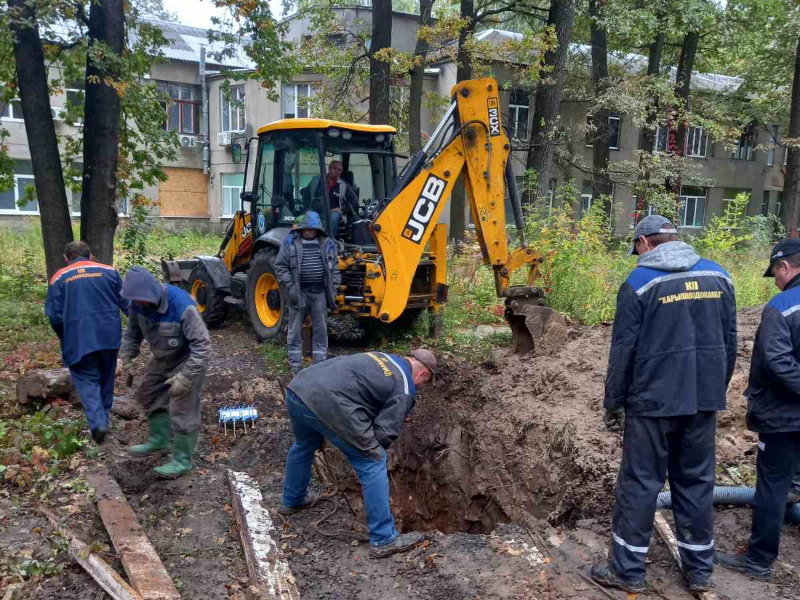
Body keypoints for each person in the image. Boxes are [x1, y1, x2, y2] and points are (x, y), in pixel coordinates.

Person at [591, 215, 737, 594]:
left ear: (644, 243)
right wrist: (714, 389)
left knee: (640, 483)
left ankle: (627, 571)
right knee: (697, 483)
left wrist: (614, 402)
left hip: (652, 404)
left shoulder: (639, 283)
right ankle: (700, 570)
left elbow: (623, 351)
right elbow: (729, 341)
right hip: (702, 400)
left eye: (635, 248)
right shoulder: (719, 276)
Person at [279, 349, 437, 558]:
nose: (420, 387)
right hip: (328, 402)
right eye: (424, 383)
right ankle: (384, 539)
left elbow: (360, 391)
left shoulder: (381, 356)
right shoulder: (406, 387)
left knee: (304, 444)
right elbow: (384, 435)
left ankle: (292, 500)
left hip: (299, 389)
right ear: (422, 374)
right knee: (373, 460)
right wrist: (373, 444)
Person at [715, 238, 800, 581]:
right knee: (791, 481)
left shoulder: (781, 307)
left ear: (785, 267)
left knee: (771, 486)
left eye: (775, 274)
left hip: (783, 417)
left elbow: (778, 362)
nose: (776, 281)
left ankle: (759, 559)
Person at [118, 266, 211, 479]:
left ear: (153, 293)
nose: (139, 304)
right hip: (162, 358)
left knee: (182, 404)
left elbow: (203, 346)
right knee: (148, 392)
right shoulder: (137, 304)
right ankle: (159, 441)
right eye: (136, 301)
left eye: (142, 301)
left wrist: (186, 377)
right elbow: (132, 334)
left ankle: (182, 460)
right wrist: (127, 358)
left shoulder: (182, 305)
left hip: (188, 359)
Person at [44, 241, 127, 444]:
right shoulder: (110, 271)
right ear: (90, 255)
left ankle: (98, 423)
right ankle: (104, 419)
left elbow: (54, 315)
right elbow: (127, 302)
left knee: (86, 379)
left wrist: (64, 337)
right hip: (109, 336)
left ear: (66, 258)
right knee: (107, 377)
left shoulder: (59, 277)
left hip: (79, 338)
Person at [275, 211, 340, 374]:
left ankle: (319, 364)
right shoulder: (290, 242)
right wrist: (290, 287)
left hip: (320, 293)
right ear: (302, 228)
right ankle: (295, 364)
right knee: (295, 329)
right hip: (299, 291)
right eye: (308, 229)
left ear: (318, 230)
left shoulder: (327, 243)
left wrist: (334, 285)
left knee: (321, 328)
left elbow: (335, 268)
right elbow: (280, 266)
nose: (310, 232)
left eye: (314, 229)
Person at [303, 160, 358, 239]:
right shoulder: (316, 181)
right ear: (329, 168)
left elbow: (354, 200)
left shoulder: (344, 185)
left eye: (339, 170)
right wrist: (308, 208)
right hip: (316, 211)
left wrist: (342, 209)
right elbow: (305, 194)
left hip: (334, 213)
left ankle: (329, 241)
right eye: (335, 168)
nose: (337, 171)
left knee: (333, 217)